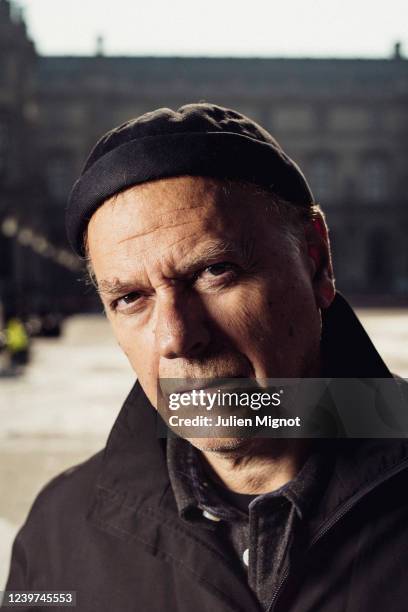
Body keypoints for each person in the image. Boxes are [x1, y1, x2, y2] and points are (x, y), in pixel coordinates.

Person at [3, 103, 408, 612]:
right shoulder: (55, 539)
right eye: (130, 298)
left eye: (215, 271)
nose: (176, 337)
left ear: (317, 261)